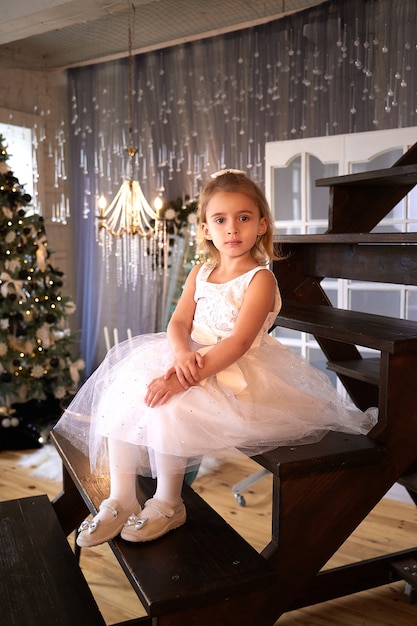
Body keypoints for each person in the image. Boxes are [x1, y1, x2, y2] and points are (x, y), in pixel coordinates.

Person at [55, 169, 377, 548]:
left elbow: (239, 343)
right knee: (128, 392)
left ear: (261, 225)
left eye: (243, 218)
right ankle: (122, 498)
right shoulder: (201, 271)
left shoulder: (260, 279)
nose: (232, 229)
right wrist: (180, 355)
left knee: (171, 407)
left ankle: (168, 502)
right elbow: (177, 322)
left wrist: (183, 377)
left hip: (232, 369)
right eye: (220, 220)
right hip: (189, 355)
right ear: (206, 229)